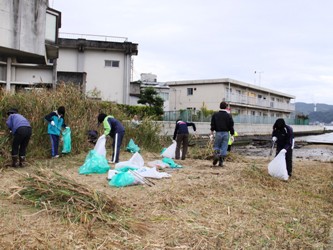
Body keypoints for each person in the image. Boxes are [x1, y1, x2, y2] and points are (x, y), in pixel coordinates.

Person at [210, 101, 235, 167]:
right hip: (226, 133)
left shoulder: (215, 115)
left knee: (216, 146)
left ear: (219, 106)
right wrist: (232, 135)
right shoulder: (229, 115)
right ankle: (221, 162)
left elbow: (212, 125)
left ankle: (216, 155)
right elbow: (231, 126)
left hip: (218, 132)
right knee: (224, 147)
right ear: (226, 107)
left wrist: (211, 134)